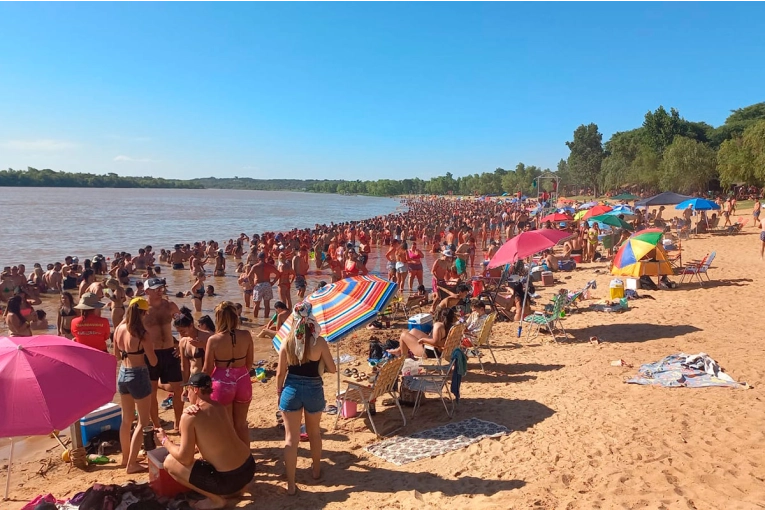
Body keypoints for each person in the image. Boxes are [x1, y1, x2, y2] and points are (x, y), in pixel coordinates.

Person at [158, 373, 256, 510]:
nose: (186, 393)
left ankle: (216, 500)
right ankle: (237, 491)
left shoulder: (190, 417)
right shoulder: (219, 407)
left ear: (195, 390)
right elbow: (214, 440)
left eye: (188, 390)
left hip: (229, 480)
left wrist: (164, 440)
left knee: (169, 462)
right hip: (248, 469)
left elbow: (185, 459)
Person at [276, 301, 337, 495]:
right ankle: (316, 471)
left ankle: (291, 484)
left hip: (291, 388)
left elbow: (279, 374)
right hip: (313, 388)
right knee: (314, 433)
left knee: (291, 439)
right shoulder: (319, 342)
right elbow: (333, 369)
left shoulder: (287, 342)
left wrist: (280, 393)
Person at [114, 297, 157, 474]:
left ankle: (126, 458)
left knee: (126, 419)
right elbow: (153, 362)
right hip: (138, 374)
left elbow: (116, 356)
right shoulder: (142, 334)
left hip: (123, 373)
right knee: (143, 421)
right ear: (142, 313)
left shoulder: (118, 329)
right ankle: (132, 464)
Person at [203, 301, 253, 445]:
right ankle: (246, 458)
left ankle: (231, 460)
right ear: (235, 317)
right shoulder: (246, 335)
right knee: (242, 424)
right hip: (243, 379)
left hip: (222, 382)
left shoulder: (213, 340)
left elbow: (207, 368)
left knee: (227, 425)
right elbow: (249, 363)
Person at [143, 277, 183, 431]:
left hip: (169, 352)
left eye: (161, 288)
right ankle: (157, 425)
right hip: (151, 354)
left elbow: (183, 324)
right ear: (147, 291)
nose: (160, 291)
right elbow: (130, 329)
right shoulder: (142, 309)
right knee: (152, 392)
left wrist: (181, 344)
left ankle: (178, 424)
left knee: (178, 389)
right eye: (156, 289)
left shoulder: (171, 306)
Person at [175, 307, 211, 405]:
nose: (181, 334)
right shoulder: (183, 342)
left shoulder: (207, 336)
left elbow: (217, 359)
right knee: (194, 408)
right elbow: (184, 366)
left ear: (191, 325)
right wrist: (185, 386)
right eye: (179, 332)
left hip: (207, 380)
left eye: (182, 331)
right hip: (193, 381)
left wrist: (203, 346)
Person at [390, 307, 455, 358]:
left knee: (403, 335)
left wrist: (423, 340)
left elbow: (435, 342)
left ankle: (404, 360)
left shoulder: (438, 326)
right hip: (440, 350)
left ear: (441, 316)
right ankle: (399, 350)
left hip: (430, 352)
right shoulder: (452, 327)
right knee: (413, 331)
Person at [247, 253, 279, 320]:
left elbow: (249, 276)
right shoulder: (269, 266)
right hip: (267, 284)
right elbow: (278, 274)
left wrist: (252, 285)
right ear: (265, 258)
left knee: (256, 304)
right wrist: (273, 282)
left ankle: (255, 319)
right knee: (267, 304)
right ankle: (266, 318)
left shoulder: (255, 266)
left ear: (258, 259)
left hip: (258, 285)